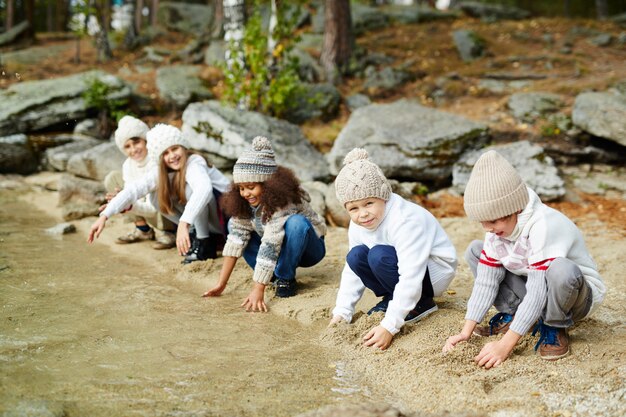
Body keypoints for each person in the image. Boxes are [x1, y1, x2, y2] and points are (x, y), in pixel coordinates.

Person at [443, 150, 606, 367]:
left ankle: (554, 326)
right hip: (533, 282)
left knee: (560, 269)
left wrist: (504, 346)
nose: (487, 229)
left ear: (514, 209)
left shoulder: (543, 225)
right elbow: (486, 282)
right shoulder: (497, 228)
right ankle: (516, 316)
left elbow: (539, 290)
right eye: (482, 222)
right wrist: (466, 332)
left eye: (492, 221)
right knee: (476, 251)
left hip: (573, 296)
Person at [329, 148, 457, 350]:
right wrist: (342, 311)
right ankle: (392, 297)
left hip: (432, 271)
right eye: (354, 208)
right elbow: (352, 272)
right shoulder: (359, 224)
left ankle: (421, 304)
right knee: (355, 256)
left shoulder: (404, 220)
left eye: (369, 203)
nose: (362, 214)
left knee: (378, 255)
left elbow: (411, 273)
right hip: (397, 264)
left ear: (384, 197)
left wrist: (389, 326)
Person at [202, 136, 326, 311]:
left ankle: (285, 277)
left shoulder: (284, 202)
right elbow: (235, 242)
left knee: (296, 223)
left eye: (251, 187)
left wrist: (258, 289)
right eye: (241, 188)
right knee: (233, 225)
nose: (245, 193)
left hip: (309, 249)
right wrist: (221, 284)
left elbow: (271, 243)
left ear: (268, 185)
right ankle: (273, 276)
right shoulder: (245, 202)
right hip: (278, 247)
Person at [88, 124, 230, 264]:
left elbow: (203, 189)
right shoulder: (160, 171)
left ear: (183, 147)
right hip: (204, 220)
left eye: (175, 149)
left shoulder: (195, 162)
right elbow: (134, 189)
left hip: (225, 216)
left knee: (191, 190)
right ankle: (194, 234)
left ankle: (205, 243)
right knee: (155, 196)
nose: (172, 156)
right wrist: (105, 215)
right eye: (165, 153)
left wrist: (183, 223)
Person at [103, 115, 177, 250]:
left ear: (145, 140)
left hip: (162, 210)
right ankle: (142, 229)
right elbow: (133, 193)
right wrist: (122, 199)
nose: (133, 149)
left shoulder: (156, 160)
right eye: (127, 146)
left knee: (157, 191)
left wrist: (127, 204)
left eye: (136, 142)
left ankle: (170, 232)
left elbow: (152, 208)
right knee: (112, 178)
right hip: (144, 206)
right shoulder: (128, 165)